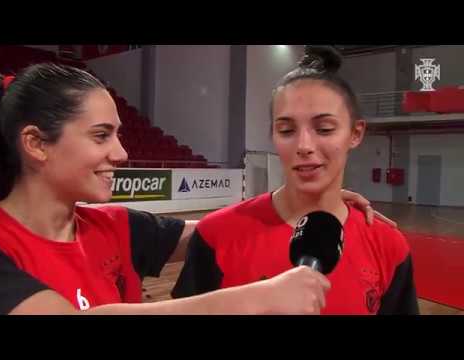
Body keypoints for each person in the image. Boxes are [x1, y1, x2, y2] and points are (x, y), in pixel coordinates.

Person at [0, 62, 389, 315]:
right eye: (101, 135)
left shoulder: (115, 226)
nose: (121, 152)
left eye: (119, 134)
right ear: (36, 144)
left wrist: (311, 202)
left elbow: (223, 231)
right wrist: (256, 299)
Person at [172, 46, 419, 315]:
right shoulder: (215, 234)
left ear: (355, 133)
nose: (304, 145)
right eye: (287, 130)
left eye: (324, 129)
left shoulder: (388, 245)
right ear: (273, 135)